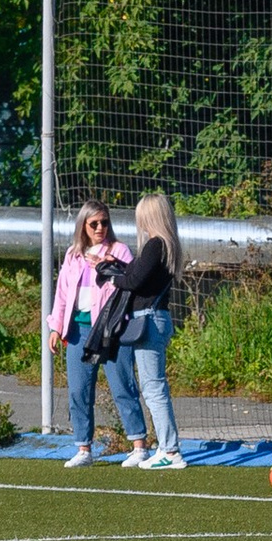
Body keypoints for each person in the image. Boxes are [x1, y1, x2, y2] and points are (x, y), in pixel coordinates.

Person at [47, 203, 147, 470]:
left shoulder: (119, 250)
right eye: (94, 224)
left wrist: (110, 265)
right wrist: (56, 327)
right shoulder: (73, 254)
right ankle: (83, 448)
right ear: (83, 226)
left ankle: (138, 445)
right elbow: (62, 294)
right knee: (79, 390)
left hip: (111, 330)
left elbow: (130, 280)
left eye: (104, 222)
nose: (100, 228)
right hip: (78, 331)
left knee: (122, 386)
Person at [102, 191, 186, 468]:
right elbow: (139, 274)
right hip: (156, 318)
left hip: (149, 319)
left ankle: (170, 450)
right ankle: (168, 447)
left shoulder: (155, 245)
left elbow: (135, 280)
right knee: (154, 386)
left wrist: (115, 280)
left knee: (153, 388)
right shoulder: (166, 246)